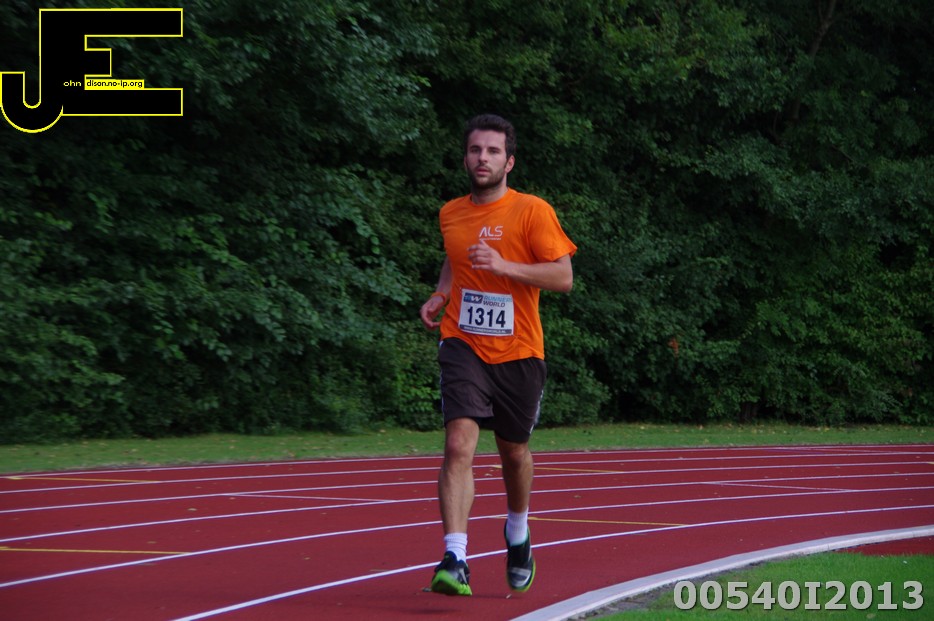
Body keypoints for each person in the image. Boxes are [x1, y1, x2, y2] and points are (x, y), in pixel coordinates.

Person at [419, 114, 577, 596]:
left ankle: (517, 530)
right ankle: (455, 558)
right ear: (465, 158)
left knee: (513, 452)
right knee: (458, 444)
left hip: (520, 350)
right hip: (463, 343)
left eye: (492, 151)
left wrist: (506, 266)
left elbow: (563, 278)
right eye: (475, 150)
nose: (482, 158)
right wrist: (442, 293)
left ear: (509, 162)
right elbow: (455, 256)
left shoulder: (532, 211)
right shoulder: (451, 212)